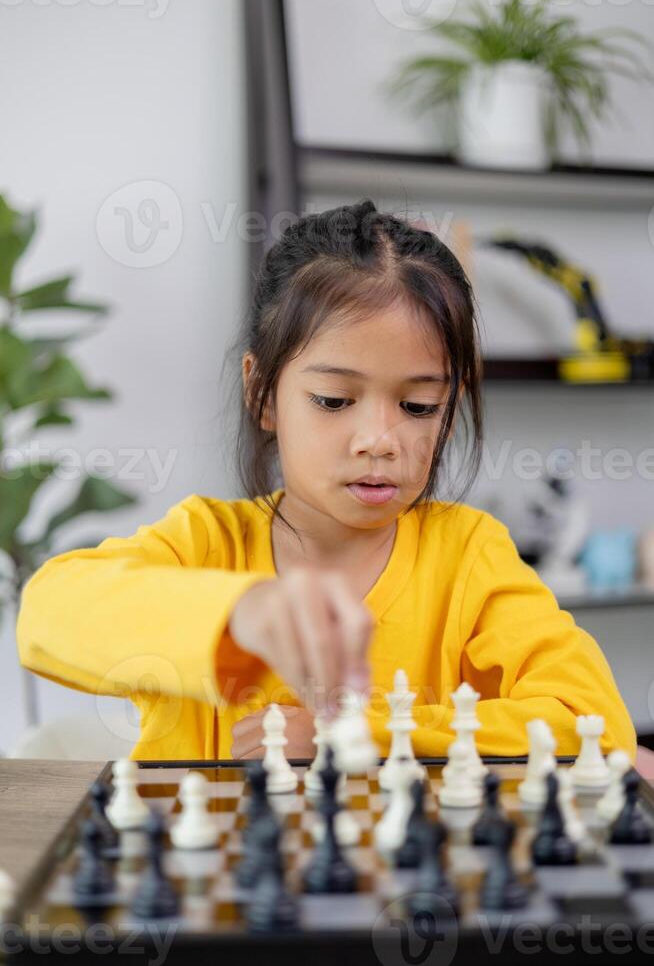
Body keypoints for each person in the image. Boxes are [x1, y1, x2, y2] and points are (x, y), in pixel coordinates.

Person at [16, 199, 636, 763]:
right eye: (335, 400)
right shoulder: (206, 545)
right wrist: (239, 614)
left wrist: (360, 732)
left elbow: (594, 722)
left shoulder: (470, 557)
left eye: (419, 406)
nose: (380, 439)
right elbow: (47, 616)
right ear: (262, 392)